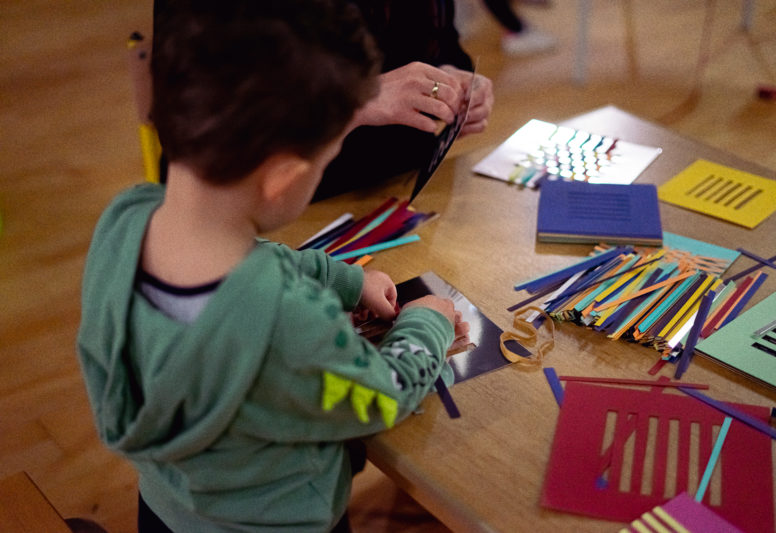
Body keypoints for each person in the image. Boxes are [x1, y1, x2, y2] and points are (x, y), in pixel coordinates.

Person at [77, 2, 468, 532]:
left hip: (166, 509)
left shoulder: (126, 220)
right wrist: (431, 322)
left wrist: (345, 279)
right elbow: (381, 394)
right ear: (285, 175)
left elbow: (251, 260)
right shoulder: (288, 322)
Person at [312, 0, 495, 200]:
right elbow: (280, 101)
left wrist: (450, 79)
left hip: (411, 177)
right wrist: (361, 98)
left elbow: (444, 44)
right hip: (315, 187)